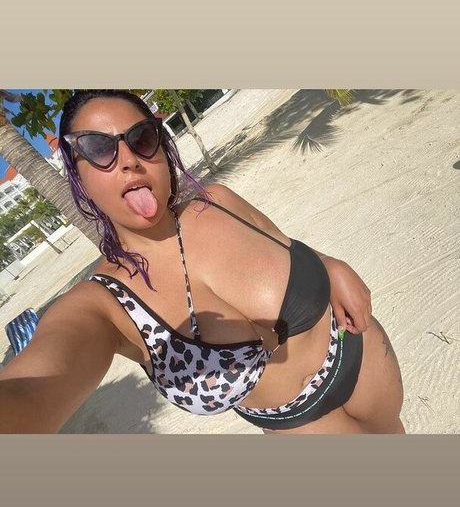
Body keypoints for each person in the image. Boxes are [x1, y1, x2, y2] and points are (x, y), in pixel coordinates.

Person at [0, 90, 405, 434]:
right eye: (98, 147)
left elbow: (285, 246)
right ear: (78, 175)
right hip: (298, 419)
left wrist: (330, 265)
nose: (128, 159)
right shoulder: (102, 305)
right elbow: (31, 392)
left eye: (142, 138)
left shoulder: (218, 202)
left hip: (356, 345)